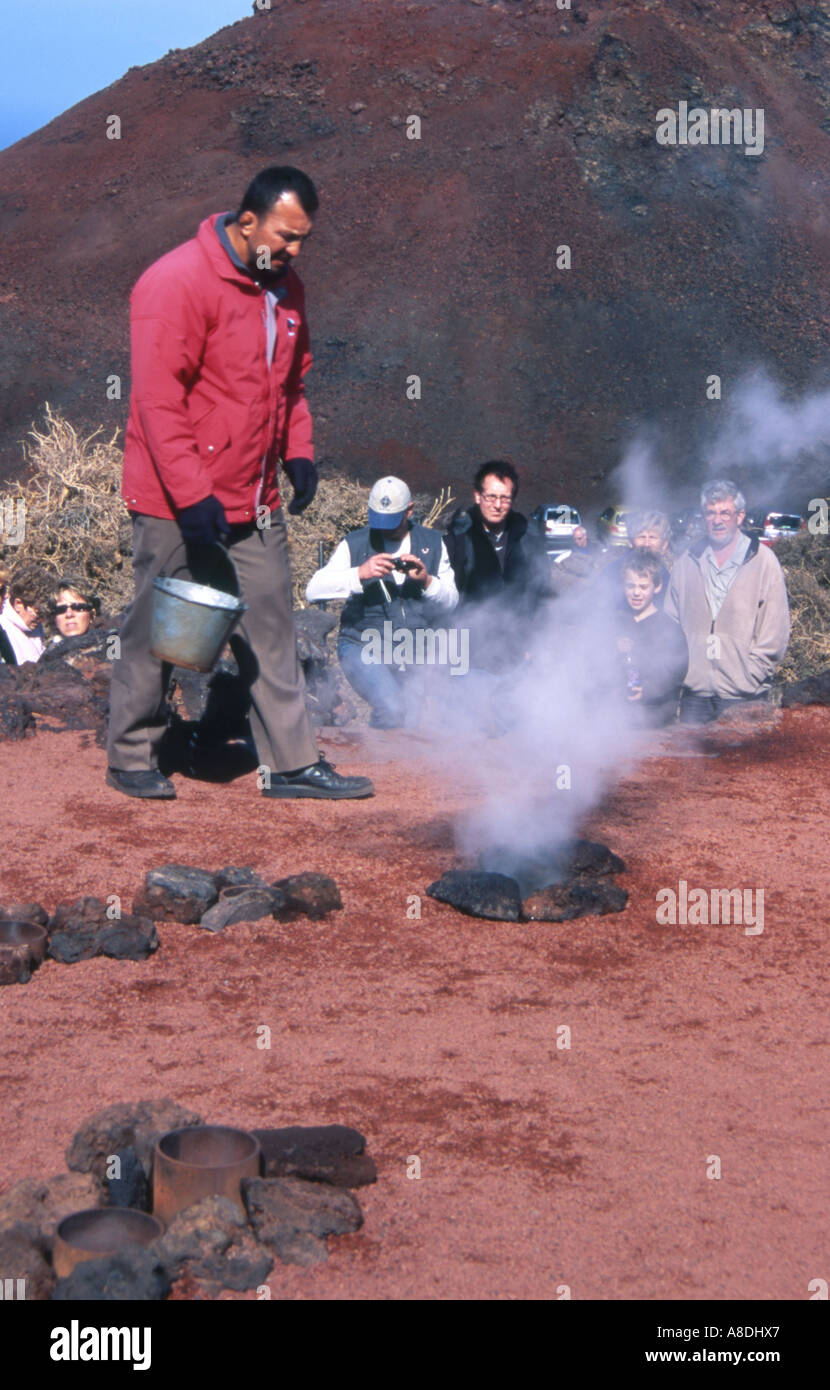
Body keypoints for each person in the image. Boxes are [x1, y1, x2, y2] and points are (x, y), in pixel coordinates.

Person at [105, 164, 373, 799]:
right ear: (247, 220)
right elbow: (158, 402)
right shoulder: (175, 282)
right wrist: (193, 493)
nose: (294, 250)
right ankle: (132, 755)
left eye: (304, 238)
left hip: (254, 498)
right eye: (286, 236)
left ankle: (289, 763)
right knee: (159, 626)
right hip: (177, 499)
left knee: (274, 627)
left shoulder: (286, 288)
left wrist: (298, 452)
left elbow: (290, 387)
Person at [306, 477, 458, 728]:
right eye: (377, 518)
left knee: (412, 720)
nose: (383, 528)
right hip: (361, 643)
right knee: (391, 706)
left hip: (412, 647)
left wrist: (426, 582)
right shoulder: (353, 543)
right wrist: (359, 574)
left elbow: (451, 600)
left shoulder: (432, 543)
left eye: (391, 520)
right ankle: (377, 758)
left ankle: (395, 765)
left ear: (409, 510)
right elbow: (314, 590)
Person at [664, 479, 790, 724]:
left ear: (739, 516)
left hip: (745, 694)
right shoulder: (686, 562)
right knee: (691, 762)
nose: (717, 520)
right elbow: (670, 622)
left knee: (744, 763)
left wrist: (752, 672)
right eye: (710, 513)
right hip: (695, 695)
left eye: (725, 512)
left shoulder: (763, 561)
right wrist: (680, 669)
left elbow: (775, 625)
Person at [444, 461, 552, 668]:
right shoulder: (458, 539)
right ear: (478, 496)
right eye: (491, 497)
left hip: (519, 648)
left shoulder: (529, 538)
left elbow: (542, 594)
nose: (497, 505)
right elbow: (447, 598)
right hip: (470, 649)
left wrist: (538, 641)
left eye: (505, 498)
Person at [614, 551, 688, 727]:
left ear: (657, 587)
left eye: (643, 586)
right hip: (616, 717)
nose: (636, 593)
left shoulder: (668, 627)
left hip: (656, 719)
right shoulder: (614, 623)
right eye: (630, 586)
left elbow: (676, 671)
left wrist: (647, 690)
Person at [593, 508, 672, 611]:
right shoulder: (613, 572)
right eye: (641, 537)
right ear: (630, 541)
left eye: (653, 537)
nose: (647, 543)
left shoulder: (666, 576)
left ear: (664, 544)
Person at [0, 565, 47, 665]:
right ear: (18, 604)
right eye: (38, 614)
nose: (41, 620)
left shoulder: (36, 627)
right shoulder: (3, 627)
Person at [48, 579, 100, 645]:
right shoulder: (49, 654)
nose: (69, 614)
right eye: (61, 609)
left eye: (78, 607)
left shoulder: (110, 648)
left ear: (92, 614)